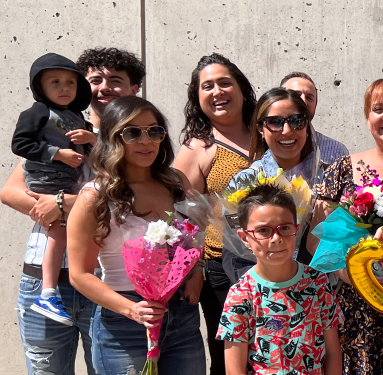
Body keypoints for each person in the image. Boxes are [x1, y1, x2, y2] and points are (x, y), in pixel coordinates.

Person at [3, 46, 145, 374]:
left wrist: (62, 204)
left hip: (109, 284)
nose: (104, 86)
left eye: (116, 80)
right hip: (45, 277)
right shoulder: (54, 130)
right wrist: (53, 204)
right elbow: (11, 192)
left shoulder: (142, 142)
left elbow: (138, 202)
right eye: (95, 79)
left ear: (134, 89)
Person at [66, 96, 205, 374]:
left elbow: (192, 238)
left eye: (154, 131)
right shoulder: (95, 196)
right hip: (124, 323)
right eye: (133, 133)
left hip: (182, 317)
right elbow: (79, 274)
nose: (146, 141)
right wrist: (131, 310)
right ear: (112, 137)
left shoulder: (176, 182)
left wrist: (197, 270)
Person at [312, 77, 383, 374]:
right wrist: (359, 277)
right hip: (359, 304)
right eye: (378, 109)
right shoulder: (343, 168)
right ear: (367, 118)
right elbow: (320, 237)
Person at [172, 52, 257, 375]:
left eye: (225, 83)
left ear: (241, 88)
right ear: (197, 97)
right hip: (223, 273)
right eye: (207, 86)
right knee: (230, 359)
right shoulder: (199, 147)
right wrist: (194, 269)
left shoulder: (266, 133)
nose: (217, 91)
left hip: (276, 263)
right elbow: (182, 218)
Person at [218, 183, 343, 374]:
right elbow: (234, 369)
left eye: (284, 228)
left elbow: (333, 353)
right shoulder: (241, 294)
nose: (276, 238)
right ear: (244, 237)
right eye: (263, 231)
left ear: (296, 229)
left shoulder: (317, 282)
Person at [10, 52, 95, 326]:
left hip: (67, 181)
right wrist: (57, 154)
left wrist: (89, 138)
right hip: (48, 180)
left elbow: (96, 153)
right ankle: (48, 292)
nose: (64, 88)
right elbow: (20, 144)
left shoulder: (77, 117)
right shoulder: (38, 113)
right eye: (55, 82)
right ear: (41, 87)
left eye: (70, 82)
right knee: (58, 232)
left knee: (66, 228)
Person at [222, 87, 321, 278]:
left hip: (315, 292)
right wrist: (261, 289)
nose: (287, 130)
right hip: (262, 296)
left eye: (296, 121)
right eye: (275, 122)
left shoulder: (326, 179)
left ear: (307, 126)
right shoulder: (243, 183)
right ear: (260, 128)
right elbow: (234, 253)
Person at [281, 72, 351, 165]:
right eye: (296, 95)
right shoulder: (265, 147)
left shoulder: (337, 152)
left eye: (309, 97)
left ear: (315, 104)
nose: (303, 101)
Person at [78, 47, 145, 126]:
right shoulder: (65, 136)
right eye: (95, 81)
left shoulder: (148, 135)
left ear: (133, 90)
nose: (104, 88)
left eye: (115, 81)